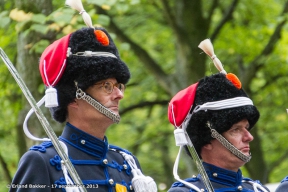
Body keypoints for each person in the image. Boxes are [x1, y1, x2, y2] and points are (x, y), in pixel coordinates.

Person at [9, 1, 157, 192]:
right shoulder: (41, 161)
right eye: (106, 86)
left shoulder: (128, 164)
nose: (119, 94)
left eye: (119, 85)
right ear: (73, 95)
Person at [167, 39, 269, 192]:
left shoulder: (258, 189)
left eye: (246, 128)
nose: (249, 137)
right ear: (206, 139)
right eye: (235, 129)